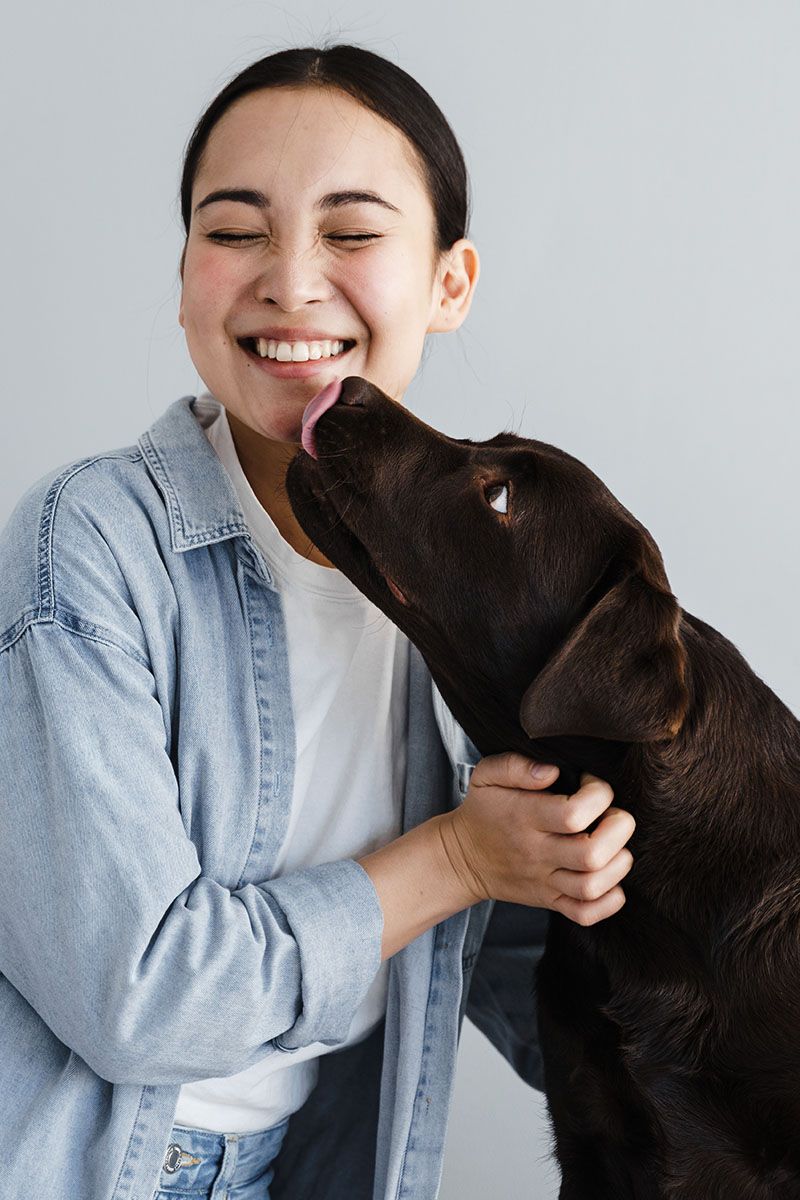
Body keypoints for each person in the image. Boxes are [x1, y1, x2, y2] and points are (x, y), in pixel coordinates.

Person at [0, 44, 636, 1200]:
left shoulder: (460, 579)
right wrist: (455, 857)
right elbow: (140, 999)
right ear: (185, 265)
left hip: (320, 1163)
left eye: (350, 234)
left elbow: (498, 952)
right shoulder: (85, 543)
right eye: (234, 230)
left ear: (449, 280)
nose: (291, 283)